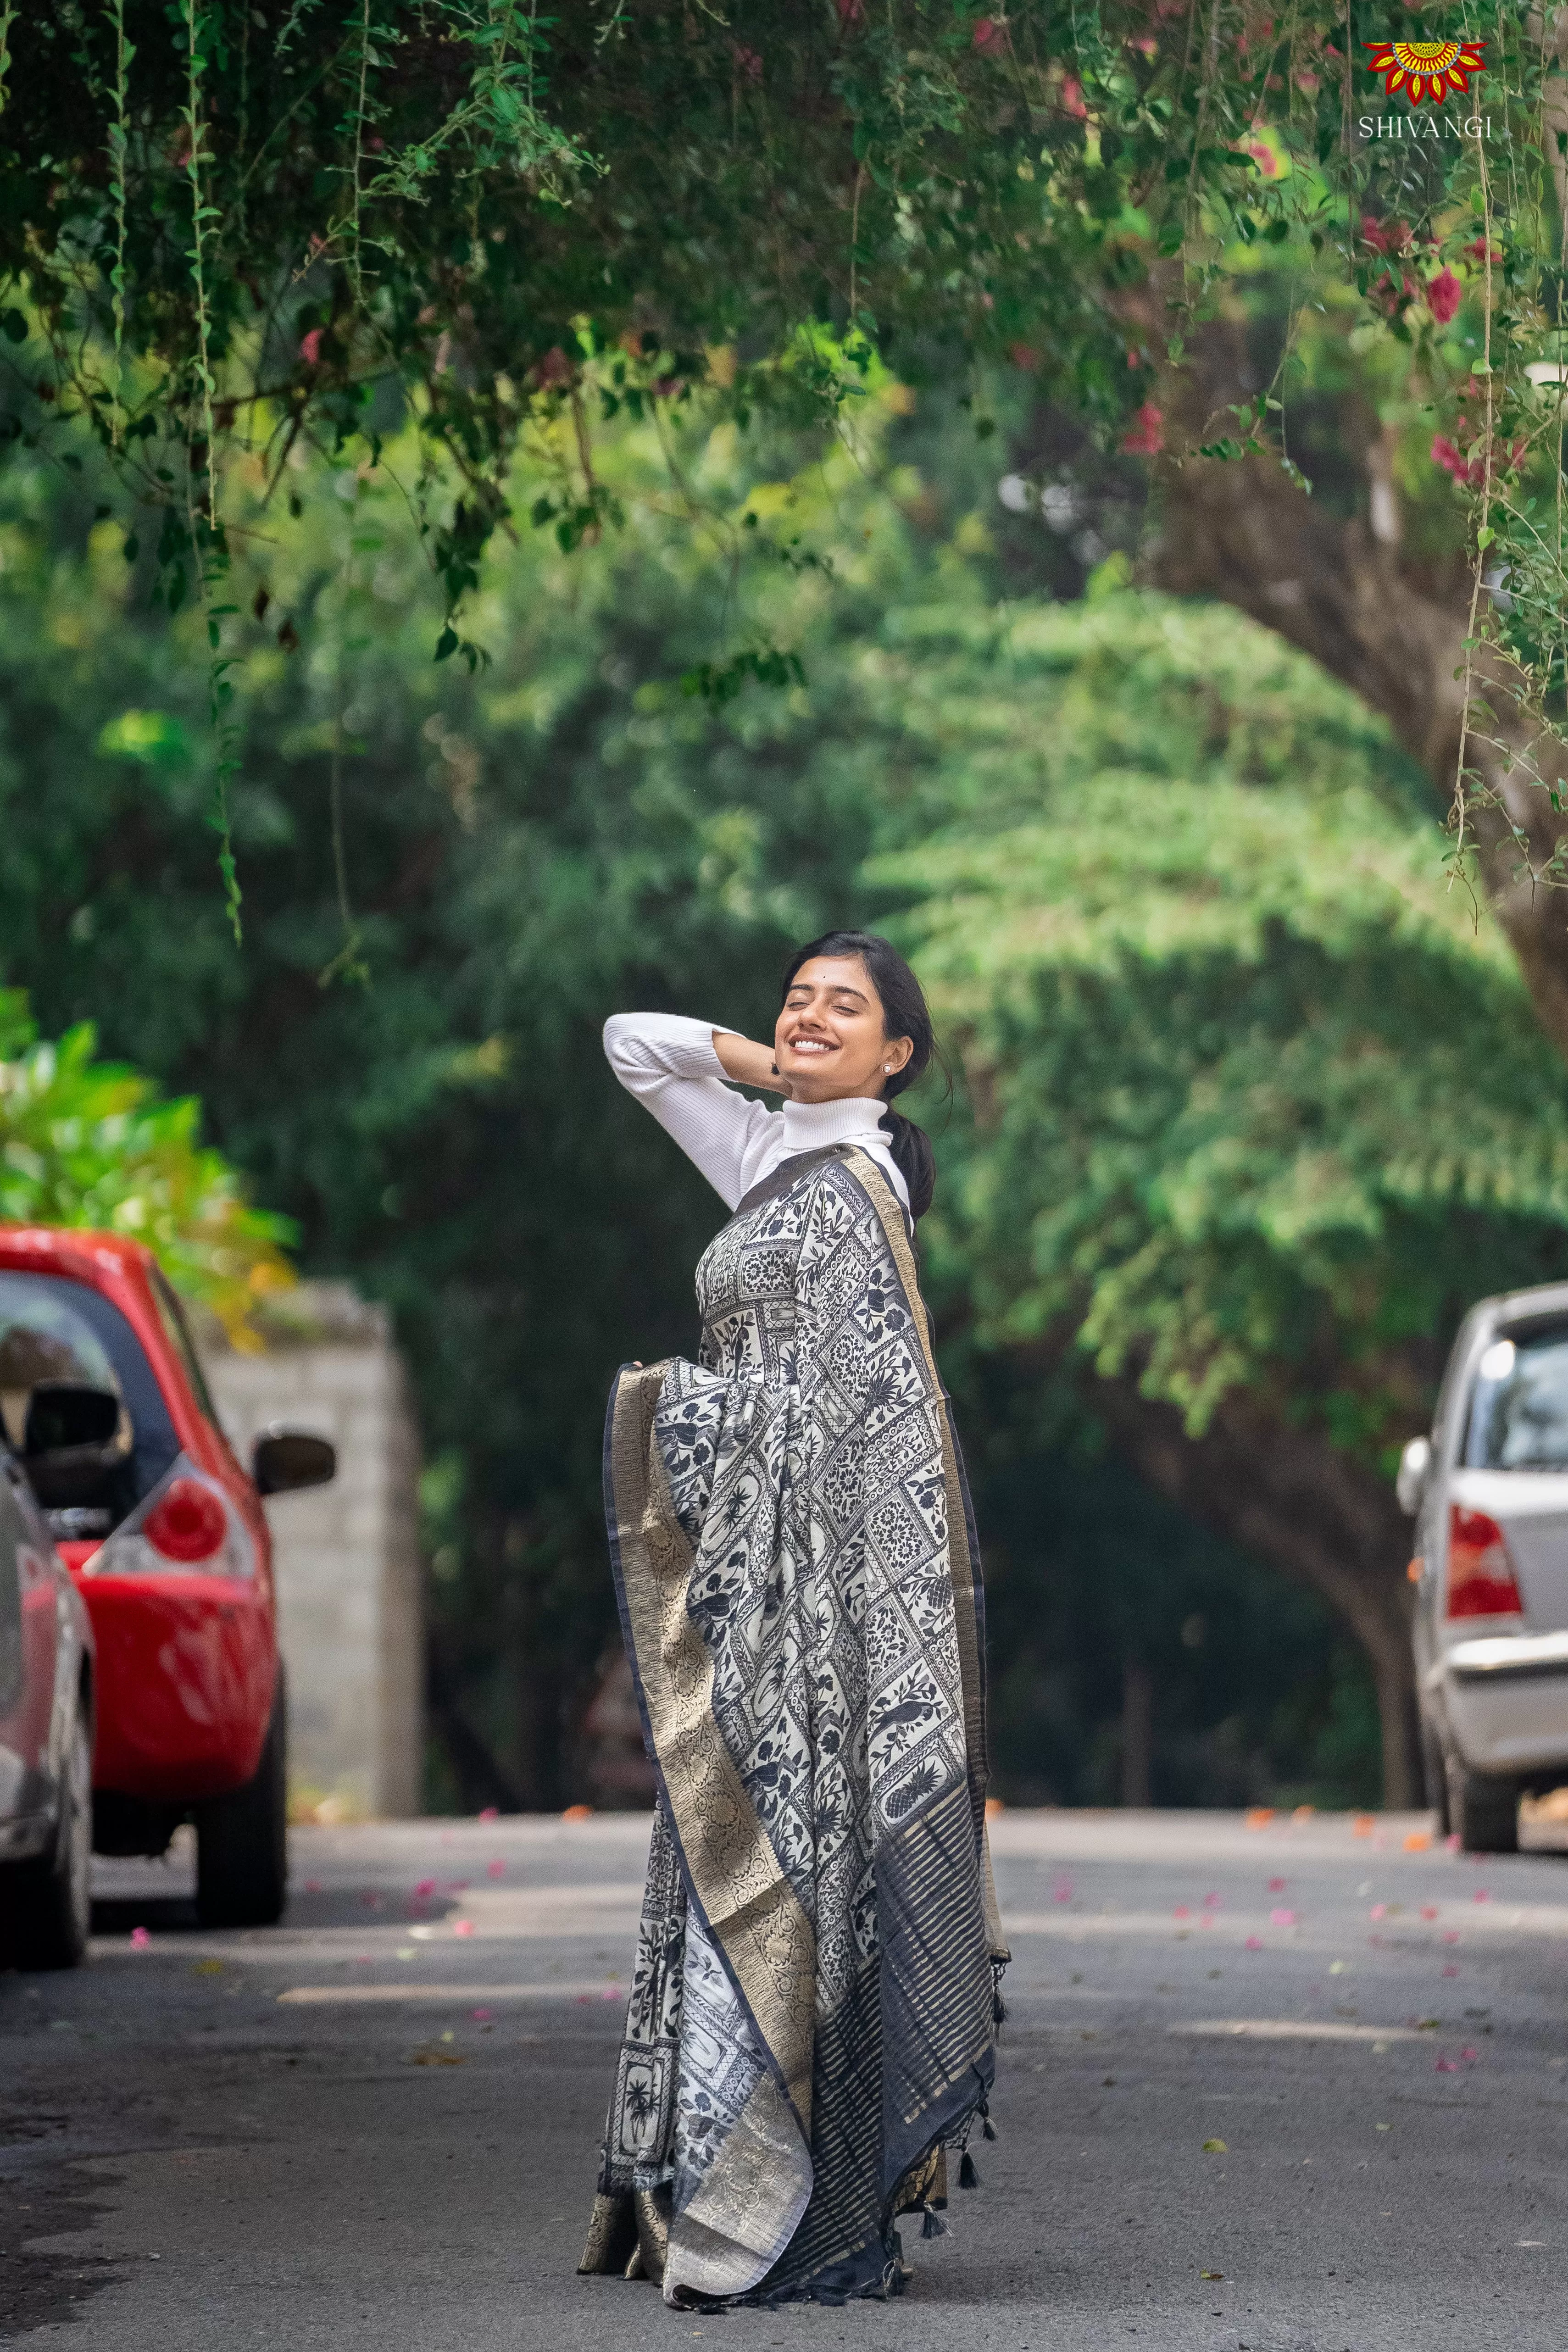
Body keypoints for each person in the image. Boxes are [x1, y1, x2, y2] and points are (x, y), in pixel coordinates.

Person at [577, 931, 1006, 2310]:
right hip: (750, 1583)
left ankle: (785, 2196)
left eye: (850, 1006)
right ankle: (698, 2175)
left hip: (823, 1592)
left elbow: (855, 1422)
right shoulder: (769, 1155)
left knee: (797, 1853)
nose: (812, 1014)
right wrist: (776, 1068)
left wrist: (708, 1418)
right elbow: (629, 1040)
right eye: (799, 997)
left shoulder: (863, 1183)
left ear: (903, 1057)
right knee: (720, 1841)